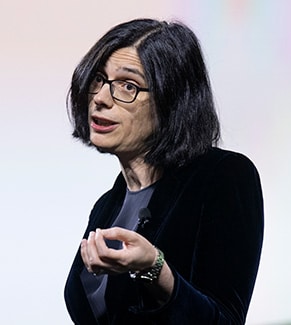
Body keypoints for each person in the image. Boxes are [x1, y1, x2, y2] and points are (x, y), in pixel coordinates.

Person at [64, 18, 264, 324]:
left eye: (127, 86)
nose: (101, 98)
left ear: (172, 101)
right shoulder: (107, 206)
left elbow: (225, 320)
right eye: (98, 80)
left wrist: (155, 270)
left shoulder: (224, 177)